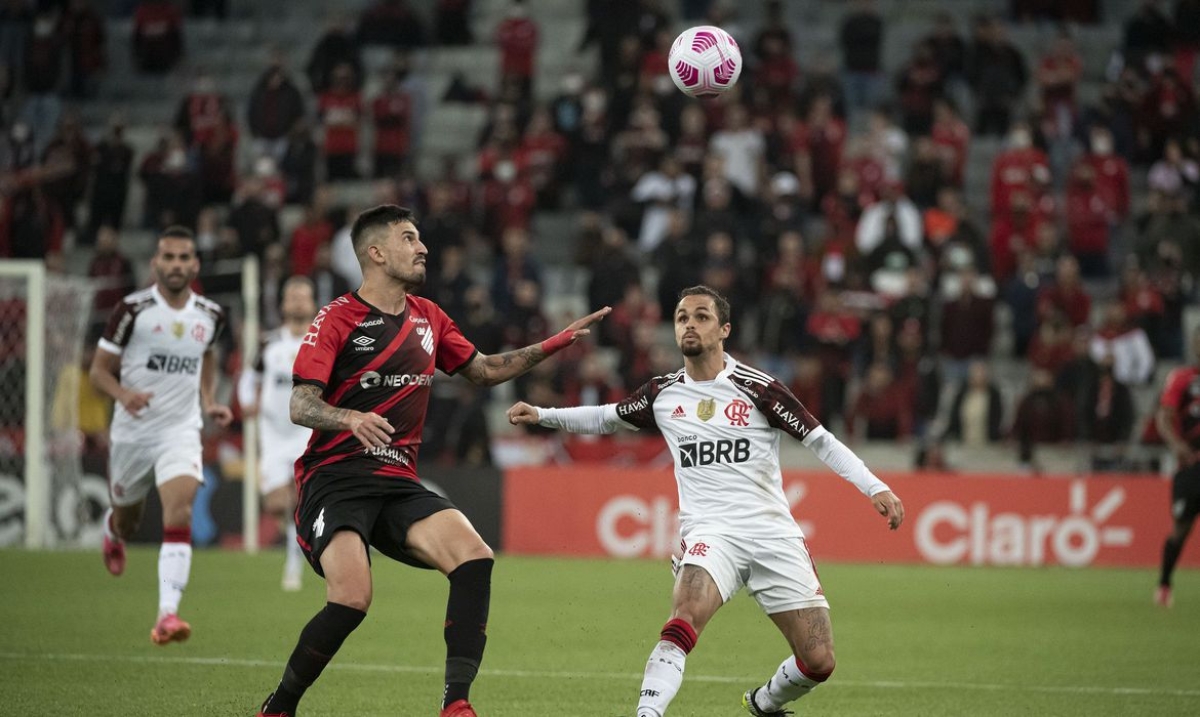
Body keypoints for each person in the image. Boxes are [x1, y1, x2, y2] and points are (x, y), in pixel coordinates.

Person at [255, 205, 610, 717]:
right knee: (352, 599)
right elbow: (300, 404)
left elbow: (484, 370)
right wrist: (350, 418)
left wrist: (555, 342)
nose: (422, 248)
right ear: (376, 253)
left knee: (474, 557)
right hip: (336, 479)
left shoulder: (429, 317)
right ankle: (280, 707)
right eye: (409, 238)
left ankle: (456, 704)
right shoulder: (336, 318)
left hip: (397, 481)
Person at [507, 285, 905, 717]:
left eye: (701, 317)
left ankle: (764, 702)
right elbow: (608, 416)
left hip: (773, 533)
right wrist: (543, 415)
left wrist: (874, 487)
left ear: (724, 330)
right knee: (684, 615)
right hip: (711, 534)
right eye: (681, 318)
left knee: (819, 660)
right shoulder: (663, 393)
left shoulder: (759, 389)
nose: (689, 325)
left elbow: (820, 441)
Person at [88, 226, 232, 645]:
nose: (175, 265)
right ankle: (113, 531)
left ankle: (167, 615)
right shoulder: (132, 310)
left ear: (195, 264)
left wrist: (207, 401)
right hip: (132, 430)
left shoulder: (210, 315)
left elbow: (208, 357)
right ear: (155, 263)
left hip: (180, 429)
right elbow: (98, 370)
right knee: (129, 520)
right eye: (168, 257)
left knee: (180, 512)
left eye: (183, 258)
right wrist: (123, 394)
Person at [237, 276, 318, 591]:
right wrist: (247, 403)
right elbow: (249, 378)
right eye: (292, 296)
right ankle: (296, 544)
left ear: (313, 303)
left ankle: (293, 563)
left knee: (297, 498)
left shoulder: (321, 340)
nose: (298, 301)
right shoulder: (268, 343)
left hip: (306, 432)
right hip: (271, 432)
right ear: (283, 304)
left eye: (303, 296)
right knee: (274, 505)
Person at [1155, 329, 1200, 608]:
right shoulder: (1183, 379)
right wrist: (1176, 445)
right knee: (1181, 527)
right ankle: (1164, 583)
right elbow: (1165, 416)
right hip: (1192, 466)